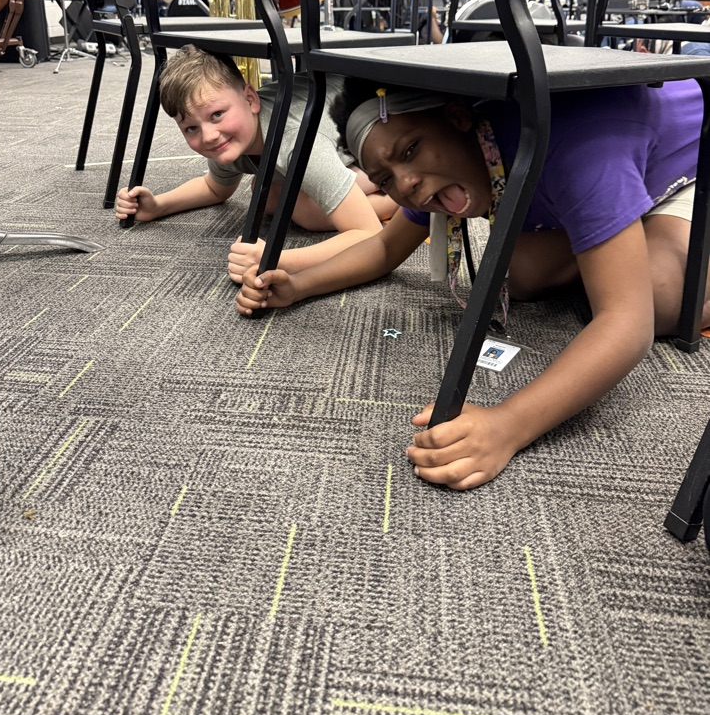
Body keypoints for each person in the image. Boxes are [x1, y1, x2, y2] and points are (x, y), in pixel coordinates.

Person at [236, 76, 710, 490]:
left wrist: (506, 426)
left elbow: (628, 325)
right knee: (516, 272)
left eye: (408, 153)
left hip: (691, 169)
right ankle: (611, 220)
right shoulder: (435, 159)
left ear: (460, 118)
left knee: (661, 300)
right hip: (611, 168)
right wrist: (300, 283)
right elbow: (383, 249)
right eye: (386, 179)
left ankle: (623, 223)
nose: (408, 185)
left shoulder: (578, 145)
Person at [115, 46, 396, 280]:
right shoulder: (232, 139)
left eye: (216, 115)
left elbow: (367, 234)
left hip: (383, 117)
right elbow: (215, 189)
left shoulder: (296, 143)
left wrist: (274, 258)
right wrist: (158, 206)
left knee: (302, 210)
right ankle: (355, 184)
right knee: (270, 197)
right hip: (328, 129)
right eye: (191, 128)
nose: (209, 136)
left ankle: (394, 197)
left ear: (250, 99)